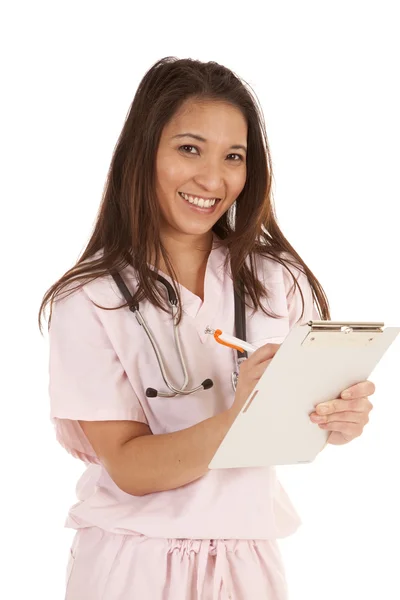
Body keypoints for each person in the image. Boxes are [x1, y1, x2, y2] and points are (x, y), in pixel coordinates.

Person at [39, 57, 374, 600]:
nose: (213, 179)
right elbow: (129, 466)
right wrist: (242, 416)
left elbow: (295, 428)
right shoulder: (89, 299)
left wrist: (335, 419)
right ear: (143, 152)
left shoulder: (274, 279)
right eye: (189, 148)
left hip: (250, 559)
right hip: (132, 563)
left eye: (233, 157)